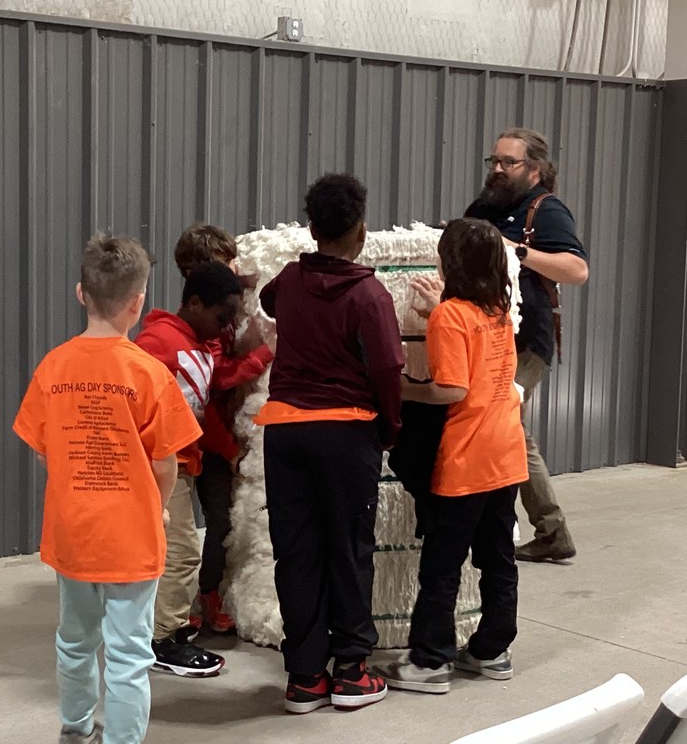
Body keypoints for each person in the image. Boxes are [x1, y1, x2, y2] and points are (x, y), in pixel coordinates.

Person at [12, 236, 202, 744]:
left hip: (73, 533)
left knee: (74, 641)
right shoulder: (149, 373)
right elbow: (166, 462)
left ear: (81, 293)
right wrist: (156, 508)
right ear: (138, 302)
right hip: (132, 538)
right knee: (129, 653)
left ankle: (75, 730)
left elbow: (43, 450)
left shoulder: (53, 367)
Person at [255, 173, 404, 713]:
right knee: (348, 549)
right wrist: (389, 429)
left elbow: (268, 300)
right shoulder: (369, 295)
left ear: (312, 228)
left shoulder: (290, 280)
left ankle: (304, 678)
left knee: (297, 551)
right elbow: (386, 368)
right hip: (345, 433)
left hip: (285, 432)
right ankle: (351, 672)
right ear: (362, 231)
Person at [380, 218, 528, 694]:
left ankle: (429, 662)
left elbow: (452, 389)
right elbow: (477, 355)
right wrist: (437, 312)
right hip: (506, 453)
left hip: (466, 460)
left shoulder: (451, 315)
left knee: (441, 565)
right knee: (498, 558)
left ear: (450, 262)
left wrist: (402, 388)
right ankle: (492, 651)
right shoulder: (498, 308)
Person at [463, 128, 589, 563]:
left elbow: (576, 270)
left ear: (534, 169)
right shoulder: (485, 207)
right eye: (493, 161)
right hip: (481, 336)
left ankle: (539, 526)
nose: (497, 169)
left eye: (508, 162)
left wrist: (515, 252)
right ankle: (548, 530)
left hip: (525, 341)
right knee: (509, 427)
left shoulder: (546, 210)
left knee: (504, 422)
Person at [134, 261, 244, 676]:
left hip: (182, 461)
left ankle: (164, 632)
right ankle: (163, 639)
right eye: (221, 317)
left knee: (175, 552)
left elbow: (200, 408)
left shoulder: (197, 344)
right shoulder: (158, 342)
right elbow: (136, 403)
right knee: (181, 553)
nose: (224, 328)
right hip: (163, 464)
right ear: (194, 303)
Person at [173, 223, 273, 634]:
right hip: (205, 437)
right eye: (225, 262)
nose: (235, 268)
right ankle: (186, 604)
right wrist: (265, 354)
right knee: (192, 527)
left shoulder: (223, 314)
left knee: (222, 519)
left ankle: (209, 591)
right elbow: (217, 380)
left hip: (218, 433)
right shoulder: (197, 333)